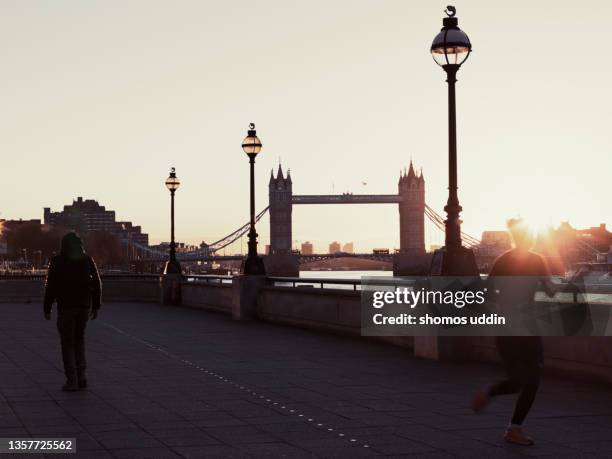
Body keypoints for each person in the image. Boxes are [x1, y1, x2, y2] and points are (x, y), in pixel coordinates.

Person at [471, 218, 555, 446]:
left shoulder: (502, 261)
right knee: (531, 380)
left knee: (517, 379)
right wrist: (576, 277)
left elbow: (487, 293)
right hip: (527, 329)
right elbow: (551, 292)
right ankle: (513, 428)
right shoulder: (538, 260)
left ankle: (490, 393)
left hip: (506, 328)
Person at [44, 232, 102, 391]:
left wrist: (47, 308)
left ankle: (72, 380)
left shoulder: (57, 261)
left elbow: (51, 286)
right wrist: (96, 305)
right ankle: (82, 375)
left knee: (67, 344)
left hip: (66, 307)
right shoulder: (87, 260)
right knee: (79, 339)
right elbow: (97, 283)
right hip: (84, 306)